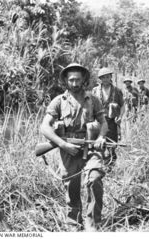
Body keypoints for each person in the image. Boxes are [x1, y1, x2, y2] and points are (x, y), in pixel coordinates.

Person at [40, 63, 108, 232]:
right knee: (71, 186)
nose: (75, 83)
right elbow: (44, 127)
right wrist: (63, 144)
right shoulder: (58, 101)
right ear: (66, 81)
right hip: (68, 150)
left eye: (78, 79)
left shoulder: (93, 99)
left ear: (84, 79)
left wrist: (101, 137)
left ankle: (93, 223)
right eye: (71, 80)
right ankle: (74, 224)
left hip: (90, 147)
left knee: (95, 177)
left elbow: (103, 123)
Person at [92, 67, 125, 167]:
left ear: (110, 77)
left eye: (107, 77)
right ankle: (99, 165)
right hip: (99, 122)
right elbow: (90, 106)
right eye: (103, 77)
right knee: (98, 144)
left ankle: (111, 166)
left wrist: (120, 117)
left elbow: (123, 105)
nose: (105, 79)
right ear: (100, 79)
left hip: (112, 122)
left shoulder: (117, 91)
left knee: (112, 145)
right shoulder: (95, 90)